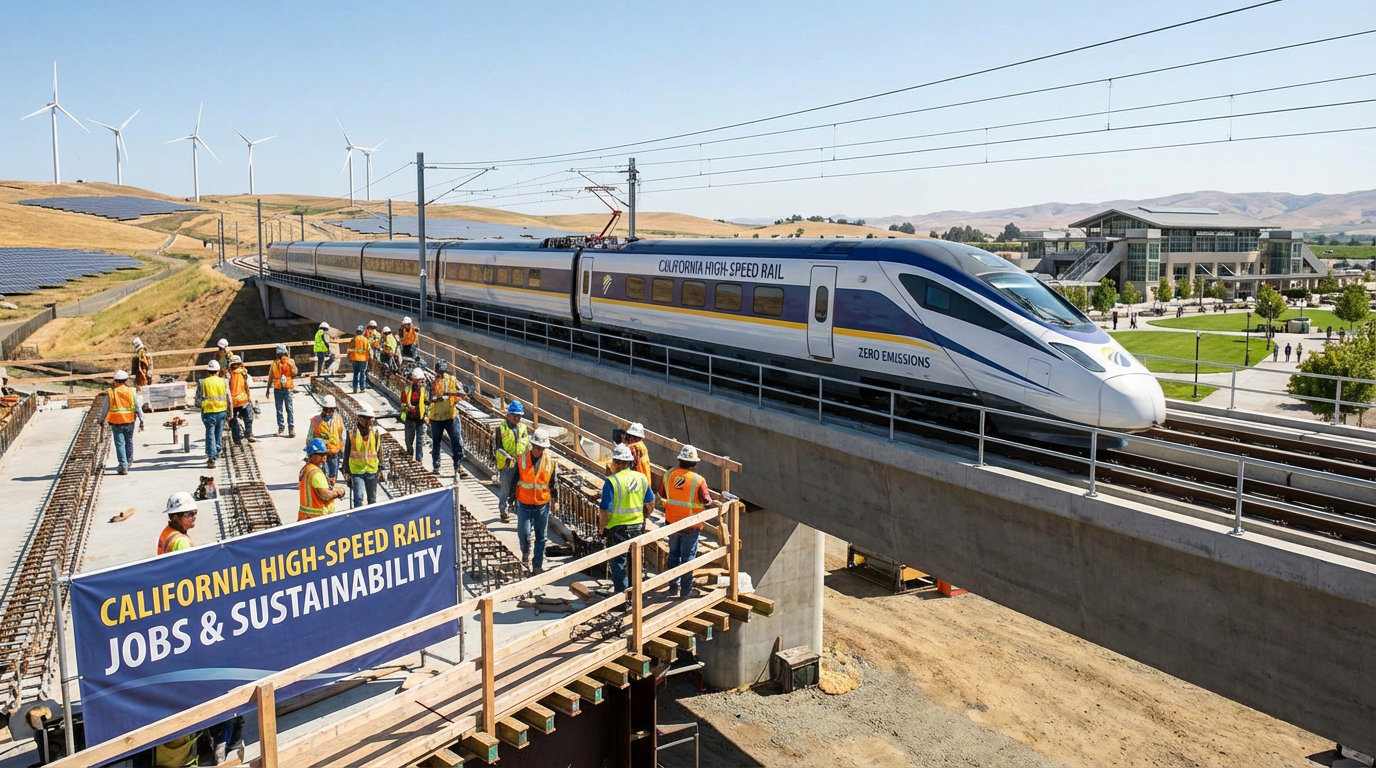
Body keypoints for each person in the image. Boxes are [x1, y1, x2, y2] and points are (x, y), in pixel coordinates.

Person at [600, 444, 655, 602]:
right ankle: (635, 597)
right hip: (637, 526)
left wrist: (602, 527)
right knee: (635, 561)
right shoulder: (641, 478)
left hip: (617, 528)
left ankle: (622, 599)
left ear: (616, 462)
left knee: (618, 563)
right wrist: (644, 517)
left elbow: (604, 509)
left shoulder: (611, 481)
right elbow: (650, 503)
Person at [663, 445, 714, 599]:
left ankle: (673, 587)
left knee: (673, 554)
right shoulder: (698, 480)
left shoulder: (669, 474)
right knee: (687, 558)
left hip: (672, 522)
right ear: (694, 464)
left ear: (680, 460)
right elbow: (706, 501)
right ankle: (686, 591)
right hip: (691, 525)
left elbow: (663, 493)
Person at [515, 430, 559, 572]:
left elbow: (554, 482)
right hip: (524, 504)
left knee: (541, 537)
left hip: (542, 505)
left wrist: (555, 500)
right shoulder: (521, 459)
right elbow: (515, 479)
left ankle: (537, 565)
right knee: (524, 534)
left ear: (544, 449)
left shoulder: (550, 463)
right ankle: (525, 552)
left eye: (539, 448)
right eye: (534, 446)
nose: (536, 450)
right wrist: (510, 498)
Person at [494, 401, 530, 524]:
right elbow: (497, 447)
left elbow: (527, 445)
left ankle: (516, 509)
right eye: (514, 416)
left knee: (519, 488)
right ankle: (503, 510)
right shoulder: (501, 429)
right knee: (505, 488)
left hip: (520, 462)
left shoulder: (523, 428)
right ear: (508, 415)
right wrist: (507, 457)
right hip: (506, 463)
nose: (517, 419)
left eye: (519, 416)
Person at [428, 360, 465, 477]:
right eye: (439, 372)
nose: (440, 374)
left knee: (456, 442)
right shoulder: (432, 382)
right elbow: (428, 398)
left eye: (442, 372)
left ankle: (458, 466)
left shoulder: (451, 380)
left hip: (450, 416)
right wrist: (435, 399)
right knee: (436, 443)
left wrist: (455, 397)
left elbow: (461, 392)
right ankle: (436, 466)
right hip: (436, 417)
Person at [342, 404, 382, 508]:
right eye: (367, 419)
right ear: (360, 419)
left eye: (371, 419)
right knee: (359, 499)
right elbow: (347, 451)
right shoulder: (352, 434)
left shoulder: (375, 433)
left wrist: (381, 467)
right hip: (357, 471)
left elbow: (379, 451)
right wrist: (346, 470)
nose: (369, 422)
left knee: (372, 499)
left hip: (372, 471)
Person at [106, 369, 145, 475]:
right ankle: (129, 461)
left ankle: (123, 465)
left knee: (119, 444)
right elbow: (137, 406)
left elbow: (105, 408)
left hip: (116, 422)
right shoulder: (131, 391)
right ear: (126, 380)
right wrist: (142, 419)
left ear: (115, 381)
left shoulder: (111, 393)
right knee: (129, 441)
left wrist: (100, 420)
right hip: (129, 421)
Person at [299, 438, 347, 521]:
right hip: (317, 519)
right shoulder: (316, 473)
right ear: (312, 455)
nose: (324, 457)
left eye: (325, 454)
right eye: (321, 454)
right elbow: (325, 496)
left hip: (306, 517)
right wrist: (337, 493)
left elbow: (313, 490)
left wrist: (329, 485)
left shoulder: (306, 469)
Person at [196, 360, 229, 469]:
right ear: (218, 370)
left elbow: (197, 401)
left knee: (210, 434)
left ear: (208, 371)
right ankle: (217, 451)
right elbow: (228, 397)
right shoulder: (224, 382)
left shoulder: (203, 382)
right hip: (221, 411)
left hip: (209, 412)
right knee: (218, 433)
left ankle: (211, 457)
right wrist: (230, 411)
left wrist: (200, 406)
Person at [309, 395, 345, 483]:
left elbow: (341, 435)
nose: (328, 412)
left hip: (334, 453)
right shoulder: (316, 420)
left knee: (333, 477)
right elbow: (310, 437)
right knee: (325, 476)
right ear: (322, 408)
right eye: (326, 410)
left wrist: (342, 449)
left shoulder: (338, 419)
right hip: (321, 454)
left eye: (331, 410)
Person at [269, 344, 298, 437]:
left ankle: (291, 428)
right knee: (279, 410)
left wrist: (291, 365)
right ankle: (281, 428)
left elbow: (295, 373)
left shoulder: (291, 361)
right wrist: (267, 389)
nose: (282, 356)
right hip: (278, 389)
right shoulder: (274, 363)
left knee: (289, 409)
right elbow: (270, 376)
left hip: (287, 388)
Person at [400, 367, 428, 462]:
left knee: (420, 441)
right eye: (418, 380)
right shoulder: (407, 389)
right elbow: (403, 402)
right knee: (409, 439)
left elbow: (428, 403)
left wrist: (427, 414)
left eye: (421, 380)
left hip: (421, 418)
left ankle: (419, 460)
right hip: (410, 417)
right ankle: (409, 453)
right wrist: (409, 408)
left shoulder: (425, 390)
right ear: (414, 379)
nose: (420, 382)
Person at [226, 355, 255, 445]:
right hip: (243, 400)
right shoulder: (244, 373)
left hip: (232, 402)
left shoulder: (228, 375)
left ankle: (237, 439)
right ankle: (248, 433)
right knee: (248, 417)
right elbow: (248, 385)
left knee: (233, 420)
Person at [623, 422, 653, 488]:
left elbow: (629, 466)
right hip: (645, 482)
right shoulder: (642, 446)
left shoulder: (634, 448)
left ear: (632, 439)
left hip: (637, 483)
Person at [349, 325, 370, 393]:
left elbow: (350, 349)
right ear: (363, 331)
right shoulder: (365, 340)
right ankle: (362, 388)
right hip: (363, 359)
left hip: (355, 359)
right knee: (362, 374)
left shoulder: (353, 339)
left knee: (355, 374)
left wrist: (350, 358)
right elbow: (368, 349)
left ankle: (355, 388)